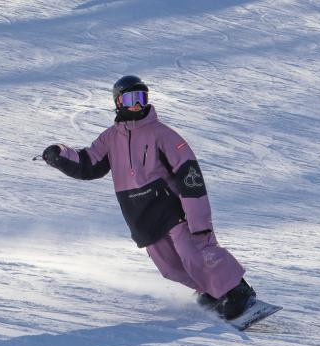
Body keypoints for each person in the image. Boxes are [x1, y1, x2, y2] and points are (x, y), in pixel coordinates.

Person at [41, 75, 256, 320]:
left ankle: (236, 290)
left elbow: (190, 176)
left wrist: (199, 222)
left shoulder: (162, 134)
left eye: (141, 98)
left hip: (171, 207)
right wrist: (61, 155)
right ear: (118, 102)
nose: (137, 105)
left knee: (194, 252)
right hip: (141, 215)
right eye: (131, 99)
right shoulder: (110, 138)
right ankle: (212, 291)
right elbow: (88, 163)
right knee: (170, 267)